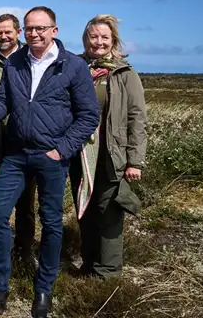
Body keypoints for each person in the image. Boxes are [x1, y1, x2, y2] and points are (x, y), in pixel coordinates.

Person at [0, 6, 99, 317]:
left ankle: (43, 290)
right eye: (29, 29)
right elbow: (3, 102)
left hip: (52, 156)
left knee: (51, 223)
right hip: (16, 154)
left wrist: (62, 149)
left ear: (55, 29)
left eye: (40, 28)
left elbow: (88, 115)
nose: (34, 34)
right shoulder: (15, 62)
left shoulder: (74, 66)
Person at [69, 14, 146, 279]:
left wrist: (135, 161)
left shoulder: (124, 73)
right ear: (85, 39)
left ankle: (108, 274)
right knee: (85, 211)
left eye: (105, 37)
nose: (99, 42)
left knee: (109, 214)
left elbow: (137, 118)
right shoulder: (76, 68)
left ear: (113, 40)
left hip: (112, 156)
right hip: (80, 156)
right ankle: (89, 265)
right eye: (94, 36)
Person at [0, 13, 37, 268]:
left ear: (18, 32)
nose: (3, 36)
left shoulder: (30, 60)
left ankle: (24, 250)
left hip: (23, 139)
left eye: (7, 32)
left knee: (25, 202)